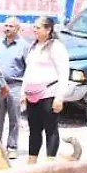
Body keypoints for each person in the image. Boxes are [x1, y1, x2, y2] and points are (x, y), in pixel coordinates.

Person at [21, 15, 71, 165]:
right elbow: (28, 70)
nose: (34, 30)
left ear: (48, 29)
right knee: (34, 129)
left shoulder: (56, 47)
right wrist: (23, 92)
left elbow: (64, 72)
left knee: (50, 128)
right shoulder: (33, 46)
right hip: (32, 94)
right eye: (34, 27)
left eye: (38, 27)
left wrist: (59, 97)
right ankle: (32, 161)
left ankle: (50, 162)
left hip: (49, 93)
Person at [0, 16, 30, 158]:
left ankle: (12, 147)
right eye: (6, 25)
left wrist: (25, 91)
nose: (7, 28)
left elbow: (29, 68)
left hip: (15, 85)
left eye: (11, 26)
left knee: (14, 117)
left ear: (18, 28)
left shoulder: (24, 46)